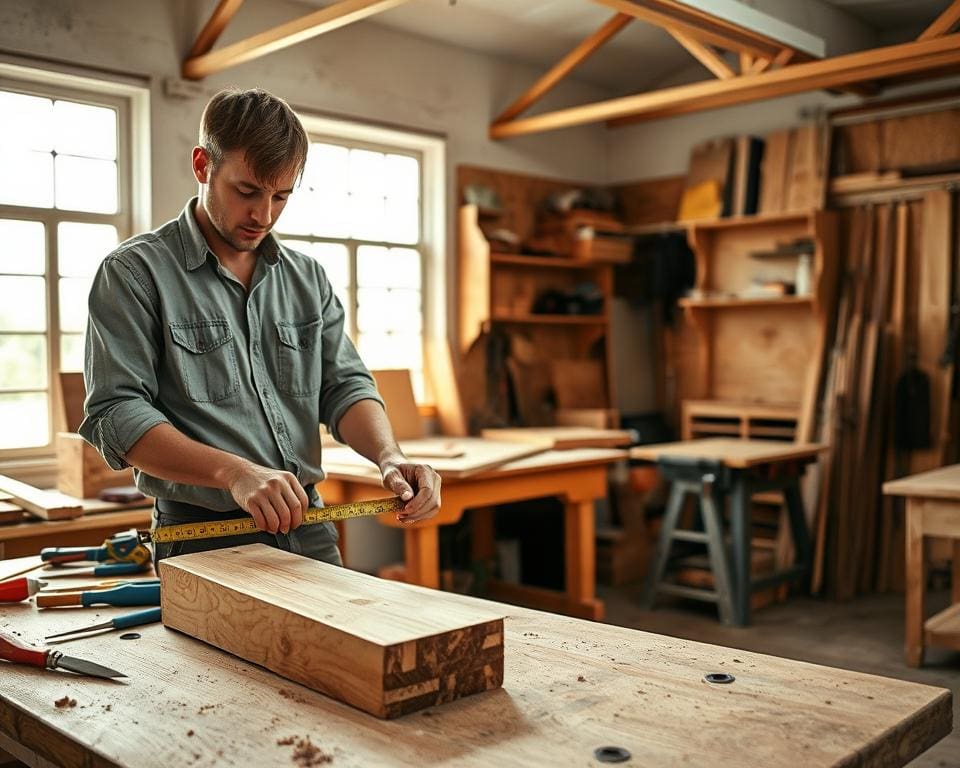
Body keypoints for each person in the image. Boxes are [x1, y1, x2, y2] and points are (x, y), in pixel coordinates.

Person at [80, 87, 441, 565]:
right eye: (247, 191)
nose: (263, 215)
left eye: (281, 196)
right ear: (202, 166)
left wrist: (390, 458)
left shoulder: (307, 277)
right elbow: (117, 413)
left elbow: (345, 387)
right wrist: (234, 473)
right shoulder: (134, 273)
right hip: (200, 535)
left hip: (308, 525)